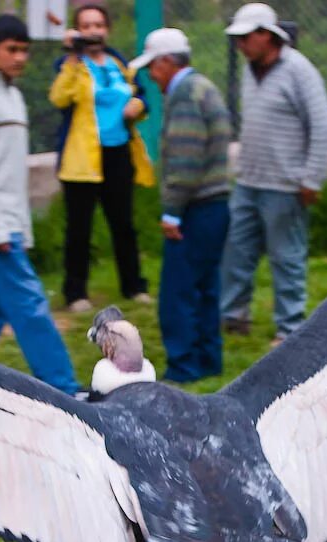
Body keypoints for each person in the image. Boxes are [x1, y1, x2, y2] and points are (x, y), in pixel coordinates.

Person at [0, 14, 81, 396]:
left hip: (9, 221)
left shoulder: (12, 94)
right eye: (11, 50)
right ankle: (65, 389)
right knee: (31, 306)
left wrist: (20, 226)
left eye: (24, 50)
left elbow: (12, 170)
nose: (20, 58)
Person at [220, 3, 327, 347]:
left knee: (286, 258)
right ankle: (234, 315)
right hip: (248, 180)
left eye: (245, 38)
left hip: (285, 185)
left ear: (266, 36)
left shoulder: (299, 70)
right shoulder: (249, 70)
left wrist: (311, 178)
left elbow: (323, 125)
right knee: (237, 252)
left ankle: (290, 327)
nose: (240, 45)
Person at [131, 28, 231, 384]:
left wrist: (172, 209)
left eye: (152, 68)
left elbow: (187, 157)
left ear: (167, 62)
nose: (150, 76)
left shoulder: (185, 93)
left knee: (178, 292)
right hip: (214, 204)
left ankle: (184, 367)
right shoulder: (203, 86)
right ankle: (208, 360)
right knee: (205, 288)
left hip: (195, 207)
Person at [49, 3, 155, 313]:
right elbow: (59, 98)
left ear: (106, 29)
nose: (94, 31)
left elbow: (140, 92)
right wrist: (71, 56)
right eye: (86, 25)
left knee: (123, 223)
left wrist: (139, 104)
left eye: (99, 25)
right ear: (77, 30)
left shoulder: (118, 61)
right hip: (83, 158)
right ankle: (76, 292)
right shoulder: (70, 64)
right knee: (79, 228)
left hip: (119, 151)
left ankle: (134, 286)